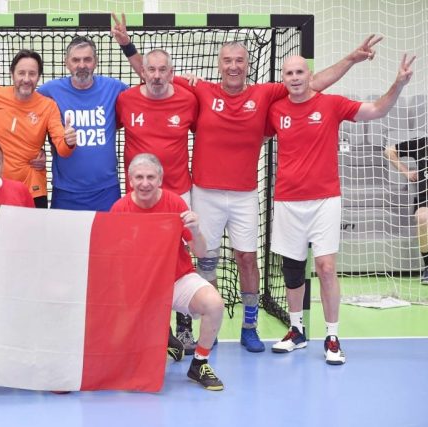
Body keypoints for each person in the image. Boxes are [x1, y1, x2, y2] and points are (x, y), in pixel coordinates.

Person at [112, 12, 383, 353]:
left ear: (247, 64)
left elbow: (313, 83)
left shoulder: (265, 93)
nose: (233, 66)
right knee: (206, 260)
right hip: (205, 192)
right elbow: (152, 74)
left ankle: (250, 325)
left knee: (246, 258)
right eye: (227, 61)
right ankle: (204, 325)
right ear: (219, 65)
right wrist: (127, 45)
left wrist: (351, 59)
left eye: (239, 60)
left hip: (244, 195)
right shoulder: (200, 90)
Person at [266, 54, 414, 364]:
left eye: (300, 72)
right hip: (287, 201)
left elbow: (377, 109)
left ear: (310, 75)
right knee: (292, 268)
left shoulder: (331, 104)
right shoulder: (276, 110)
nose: (295, 77)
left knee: (325, 267)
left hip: (325, 199)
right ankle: (296, 330)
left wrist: (398, 84)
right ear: (284, 78)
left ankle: (332, 336)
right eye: (289, 73)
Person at [110, 153, 225, 391]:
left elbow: (201, 252)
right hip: (141, 286)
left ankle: (199, 364)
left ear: (160, 179)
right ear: (130, 180)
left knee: (214, 304)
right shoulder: (120, 209)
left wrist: (196, 230)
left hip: (177, 279)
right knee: (122, 351)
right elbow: (113, 259)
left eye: (150, 177)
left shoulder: (175, 204)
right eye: (139, 177)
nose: (145, 183)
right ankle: (164, 338)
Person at [115, 48, 199, 353]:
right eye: (151, 69)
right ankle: (157, 330)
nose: (157, 75)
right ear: (142, 72)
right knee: (143, 260)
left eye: (163, 69)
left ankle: (185, 326)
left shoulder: (188, 99)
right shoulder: (125, 100)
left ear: (172, 72)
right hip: (141, 196)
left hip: (178, 192)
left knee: (181, 257)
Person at [37, 36, 129, 211]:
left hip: (106, 191)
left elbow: (146, 90)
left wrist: (180, 81)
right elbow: (24, 109)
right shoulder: (49, 91)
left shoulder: (115, 88)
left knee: (110, 230)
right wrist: (37, 150)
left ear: (96, 62)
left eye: (87, 59)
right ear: (66, 63)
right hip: (66, 191)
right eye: (75, 60)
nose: (81, 65)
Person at [0, 49, 77, 208]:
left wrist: (69, 141)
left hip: (32, 189)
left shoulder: (48, 106)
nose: (26, 79)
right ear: (12, 74)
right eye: (21, 73)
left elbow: (63, 149)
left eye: (32, 74)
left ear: (38, 77)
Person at [385, 137, 428, 285]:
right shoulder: (422, 143)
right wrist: (406, 172)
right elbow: (389, 151)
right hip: (425, 199)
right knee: (422, 217)